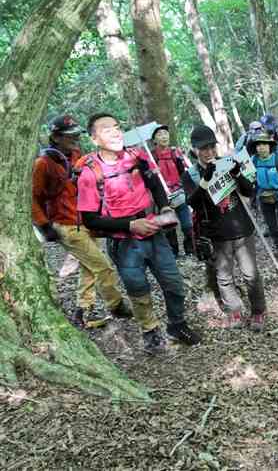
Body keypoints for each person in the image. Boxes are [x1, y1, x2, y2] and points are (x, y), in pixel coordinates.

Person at [77, 113, 201, 354]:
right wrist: (130, 226)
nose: (115, 132)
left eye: (116, 127)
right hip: (124, 243)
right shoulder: (90, 173)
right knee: (139, 290)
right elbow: (90, 219)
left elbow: (154, 183)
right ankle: (150, 331)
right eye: (106, 129)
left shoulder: (136, 156)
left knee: (173, 283)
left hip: (154, 232)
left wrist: (164, 206)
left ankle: (177, 324)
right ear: (94, 139)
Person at [31, 115, 132, 328]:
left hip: (87, 219)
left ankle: (82, 312)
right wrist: (43, 224)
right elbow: (33, 197)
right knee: (103, 268)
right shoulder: (43, 163)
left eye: (77, 134)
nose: (76, 138)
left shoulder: (77, 154)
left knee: (90, 268)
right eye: (70, 135)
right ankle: (117, 306)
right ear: (56, 137)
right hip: (66, 225)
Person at [182, 125, 267, 331]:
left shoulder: (227, 163)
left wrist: (237, 174)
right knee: (224, 275)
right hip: (216, 234)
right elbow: (193, 203)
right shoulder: (191, 175)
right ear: (194, 150)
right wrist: (205, 180)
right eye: (204, 148)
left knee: (250, 273)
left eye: (212, 147)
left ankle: (258, 311)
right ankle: (234, 310)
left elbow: (249, 191)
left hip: (241, 229)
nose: (209, 152)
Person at [150, 124, 194, 257]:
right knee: (169, 227)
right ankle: (174, 252)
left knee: (187, 224)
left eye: (165, 133)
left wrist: (188, 189)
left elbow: (183, 173)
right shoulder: (151, 157)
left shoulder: (175, 153)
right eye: (160, 134)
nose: (164, 136)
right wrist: (151, 173)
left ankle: (190, 249)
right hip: (162, 197)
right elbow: (147, 178)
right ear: (154, 140)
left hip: (179, 193)